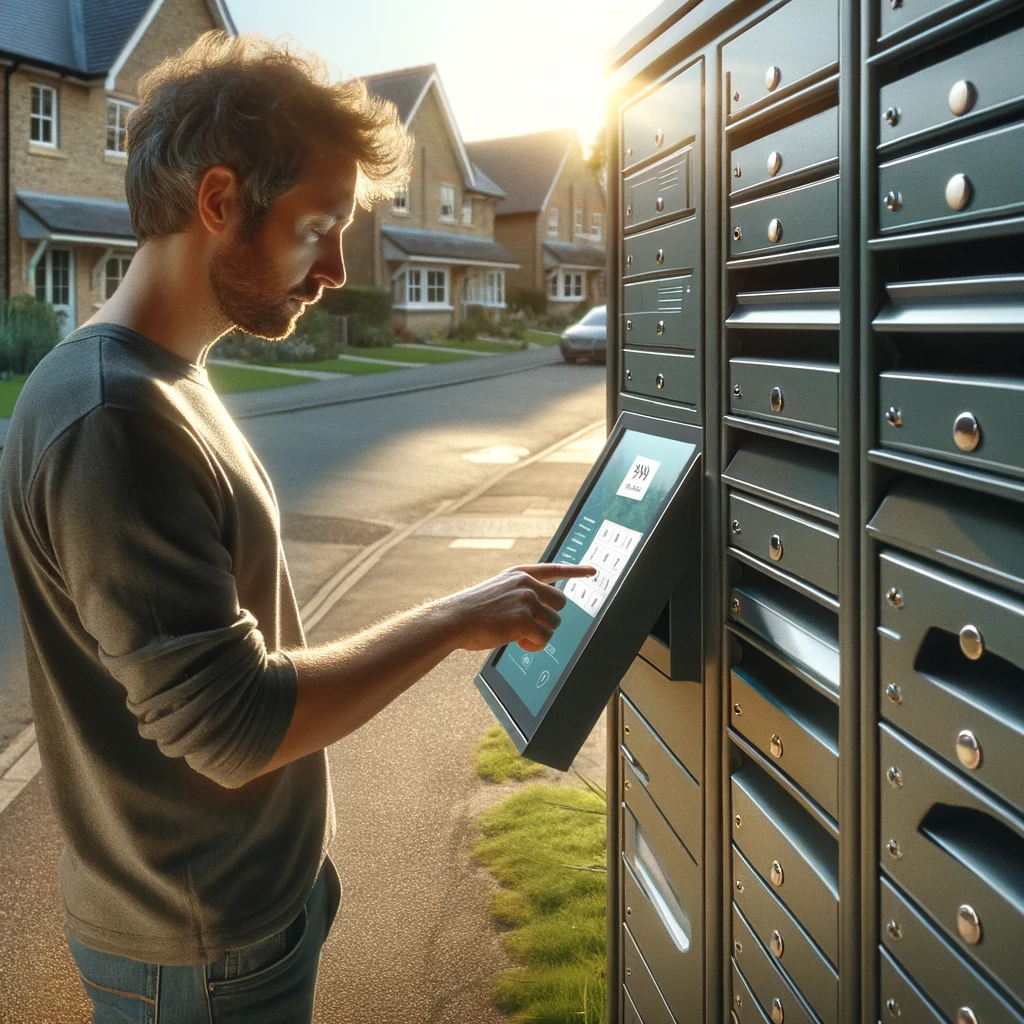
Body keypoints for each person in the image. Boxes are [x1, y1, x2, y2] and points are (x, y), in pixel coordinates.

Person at [0, 32, 594, 1024]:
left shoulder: (164, 378)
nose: (338, 269)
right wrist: (452, 619)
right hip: (202, 949)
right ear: (220, 200)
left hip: (235, 918)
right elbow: (233, 728)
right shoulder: (115, 419)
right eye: (319, 225)